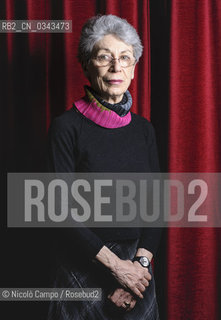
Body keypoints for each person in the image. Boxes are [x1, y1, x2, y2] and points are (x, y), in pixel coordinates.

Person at [48, 14, 161, 320]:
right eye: (104, 57)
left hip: (138, 272)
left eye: (126, 58)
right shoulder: (66, 127)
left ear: (134, 69)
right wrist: (115, 270)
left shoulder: (144, 129)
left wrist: (139, 268)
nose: (116, 66)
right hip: (85, 265)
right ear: (86, 64)